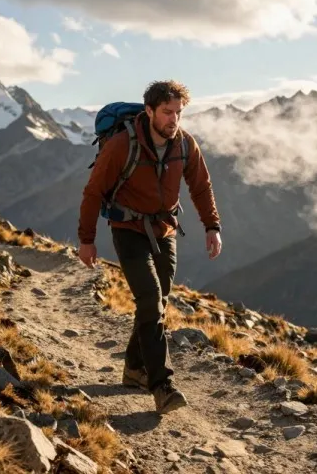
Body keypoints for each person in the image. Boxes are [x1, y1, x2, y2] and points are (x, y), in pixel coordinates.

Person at [77, 80, 222, 414]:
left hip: (165, 229)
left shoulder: (184, 144)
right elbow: (93, 191)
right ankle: (162, 384)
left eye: (179, 113)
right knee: (149, 299)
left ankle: (133, 368)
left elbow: (201, 186)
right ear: (150, 111)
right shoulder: (121, 145)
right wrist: (86, 239)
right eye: (167, 112)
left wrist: (212, 227)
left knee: (158, 300)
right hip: (128, 229)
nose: (174, 120)